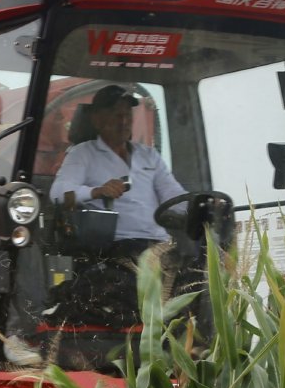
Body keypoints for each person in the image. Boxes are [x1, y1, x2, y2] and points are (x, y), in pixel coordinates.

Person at [54, 85, 188, 259]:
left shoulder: (149, 155)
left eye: (127, 114)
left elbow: (173, 195)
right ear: (96, 119)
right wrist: (96, 192)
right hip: (116, 249)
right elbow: (58, 195)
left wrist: (200, 205)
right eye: (116, 114)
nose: (123, 121)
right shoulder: (82, 154)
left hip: (159, 245)